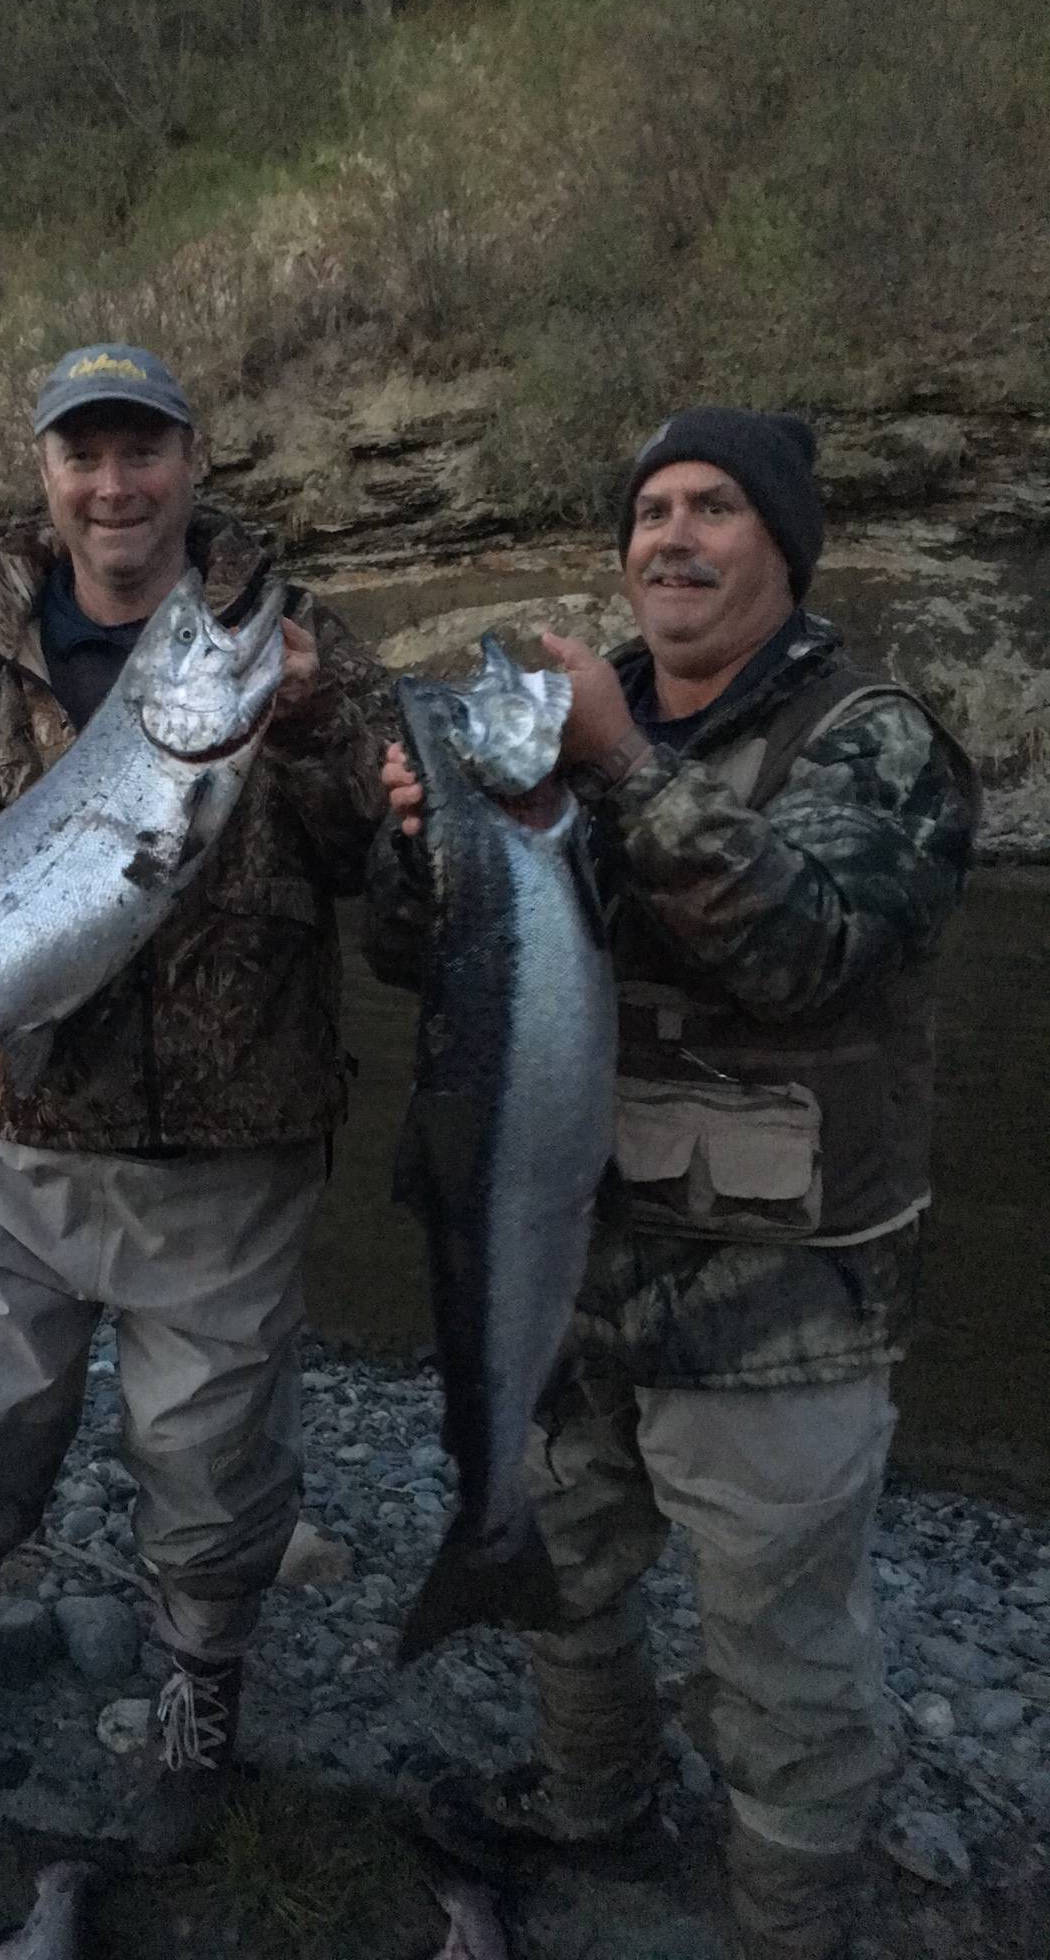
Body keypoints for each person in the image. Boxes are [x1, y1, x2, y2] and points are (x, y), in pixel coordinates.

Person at [371, 408, 979, 1960]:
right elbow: (423, 963)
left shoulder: (876, 734)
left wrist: (623, 767)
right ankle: (595, 1806)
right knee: (562, 1573)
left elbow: (813, 952)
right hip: (565, 1258)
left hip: (783, 1303)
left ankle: (791, 1924)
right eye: (651, 512)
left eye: (715, 508)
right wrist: (422, 842)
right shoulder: (571, 736)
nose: (674, 538)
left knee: (780, 1658)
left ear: (784, 545)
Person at [0, 344, 393, 1855]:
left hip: (233, 1148)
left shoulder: (293, 638)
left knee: (212, 1461)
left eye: (144, 451)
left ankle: (201, 1686)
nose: (114, 483)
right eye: (85, 454)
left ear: (192, 463)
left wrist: (325, 725)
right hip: (20, 1148)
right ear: (48, 475)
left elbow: (392, 863)